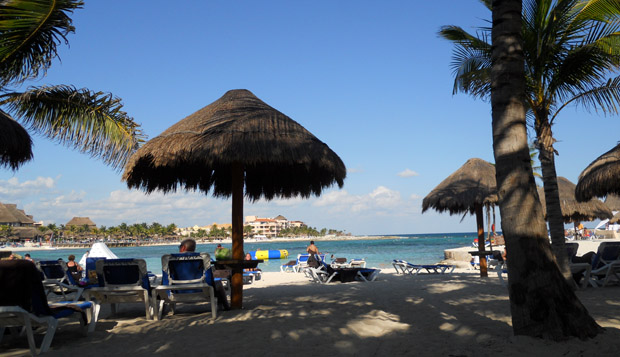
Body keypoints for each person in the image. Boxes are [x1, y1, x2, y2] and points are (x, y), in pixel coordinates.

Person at [179, 238, 230, 311]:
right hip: (201, 292)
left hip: (177, 292)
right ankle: (226, 307)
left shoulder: (171, 260)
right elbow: (209, 278)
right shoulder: (200, 259)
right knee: (218, 283)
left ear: (183, 247)